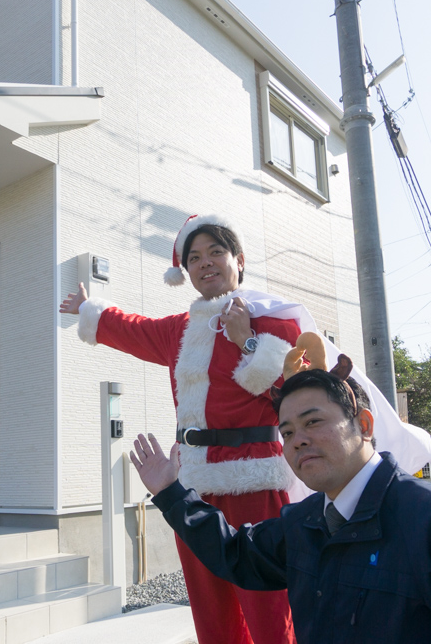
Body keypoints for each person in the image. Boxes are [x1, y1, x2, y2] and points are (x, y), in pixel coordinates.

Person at [61, 214, 301, 644]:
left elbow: (295, 392)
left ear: (239, 260)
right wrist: (89, 309)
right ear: (185, 271)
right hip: (192, 488)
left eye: (215, 252)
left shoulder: (274, 321)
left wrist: (247, 339)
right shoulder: (180, 330)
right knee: (212, 618)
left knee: (269, 616)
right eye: (194, 257)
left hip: (256, 484)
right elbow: (134, 328)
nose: (205, 262)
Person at [130, 368, 431, 644]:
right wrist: (171, 493)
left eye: (312, 422)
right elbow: (234, 553)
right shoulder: (305, 522)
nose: (298, 440)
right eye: (287, 433)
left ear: (363, 425)